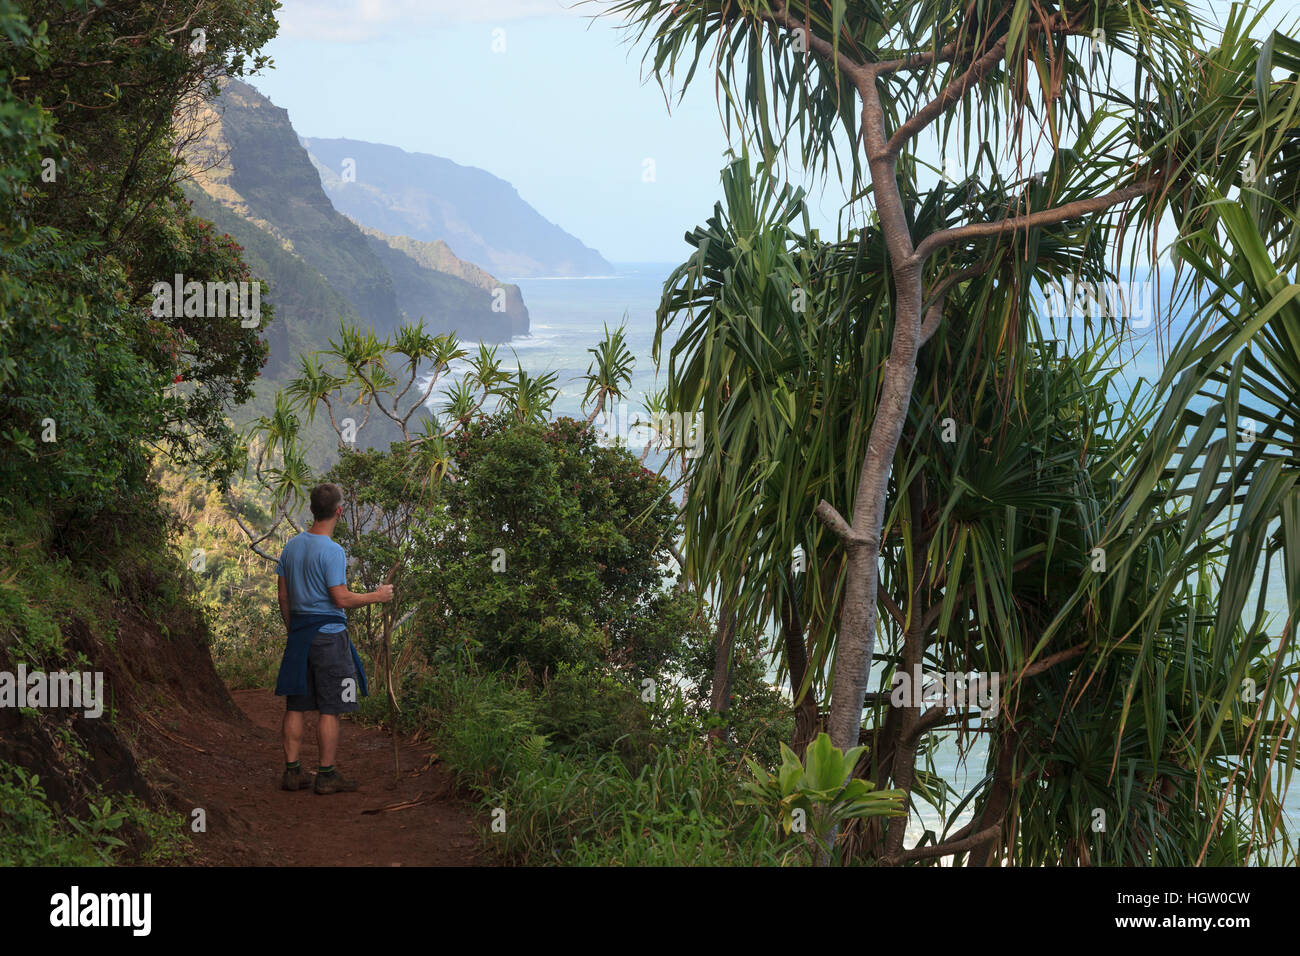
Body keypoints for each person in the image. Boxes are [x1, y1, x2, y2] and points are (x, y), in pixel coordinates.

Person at [272, 482, 393, 794]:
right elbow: (340, 599)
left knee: (296, 704)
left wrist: (293, 629)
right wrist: (377, 596)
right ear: (339, 511)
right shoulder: (333, 551)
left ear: (312, 510)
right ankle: (326, 775)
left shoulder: (291, 547)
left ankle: (292, 771)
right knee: (331, 707)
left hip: (299, 633)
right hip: (329, 637)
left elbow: (283, 596)